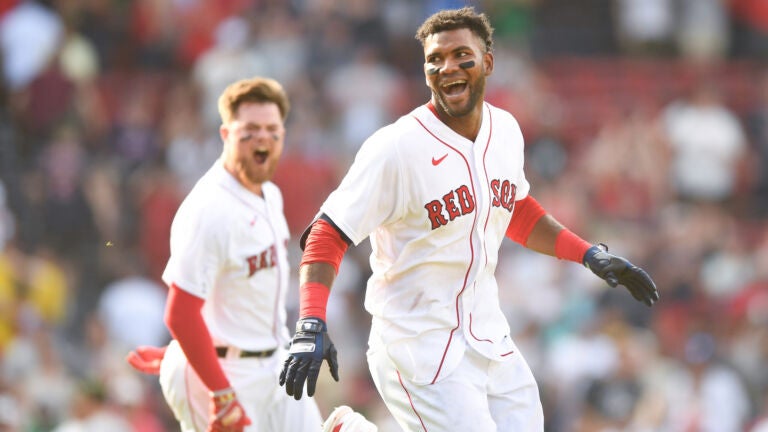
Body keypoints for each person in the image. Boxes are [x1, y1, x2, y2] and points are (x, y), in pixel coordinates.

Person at [279, 7, 659, 432]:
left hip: (487, 334)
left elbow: (512, 207)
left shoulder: (506, 130)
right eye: (434, 60)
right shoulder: (396, 148)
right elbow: (326, 232)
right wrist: (311, 319)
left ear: (488, 63)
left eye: (461, 55)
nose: (447, 67)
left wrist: (587, 253)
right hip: (416, 341)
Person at [124, 77, 376, 432]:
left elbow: (233, 299)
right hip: (224, 379)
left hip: (273, 360)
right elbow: (180, 313)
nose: (263, 139)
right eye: (250, 130)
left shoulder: (269, 195)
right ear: (226, 134)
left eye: (272, 130)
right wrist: (218, 389)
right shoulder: (209, 208)